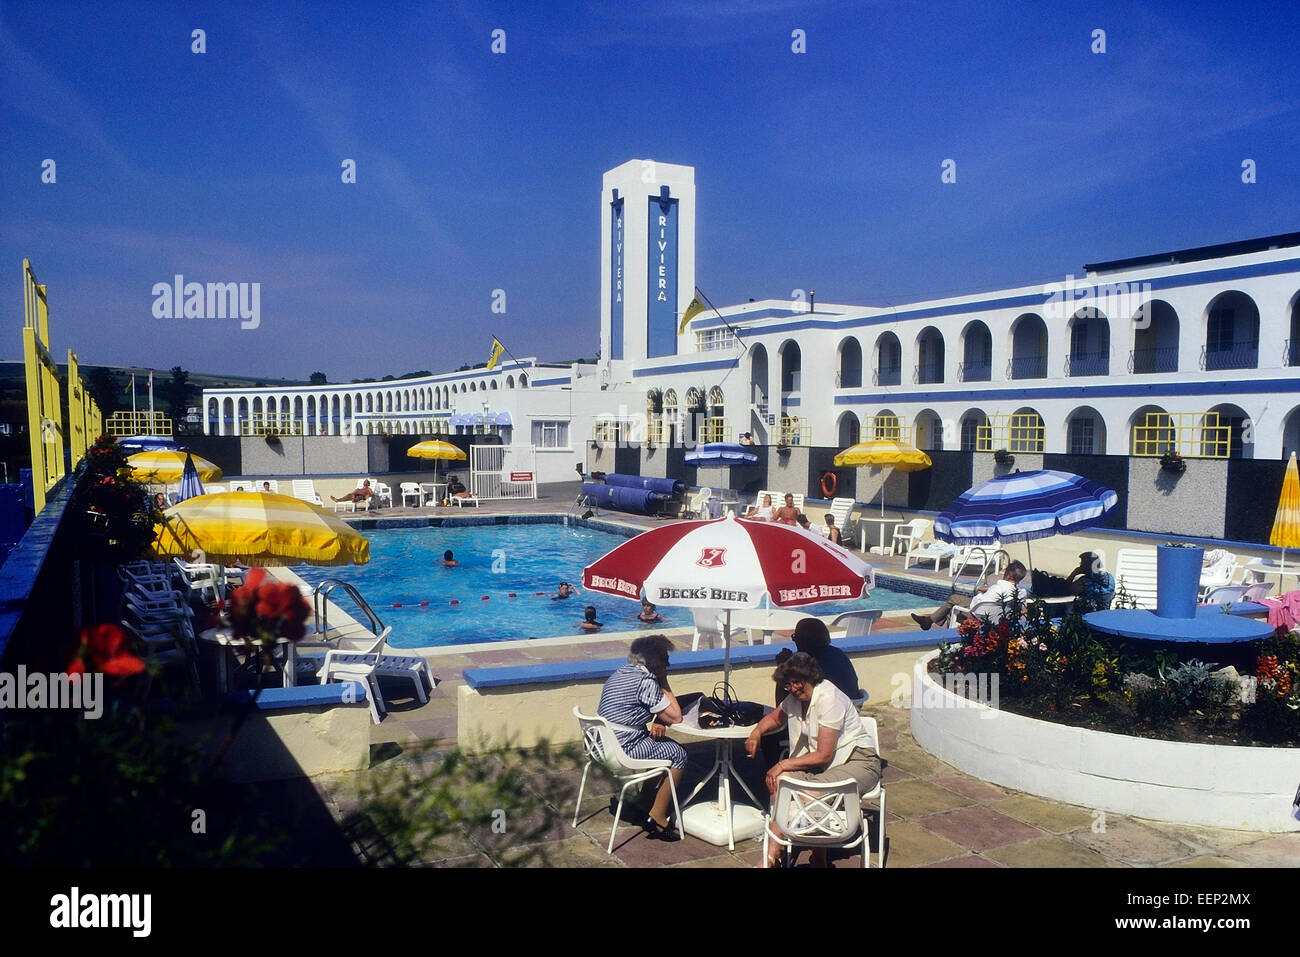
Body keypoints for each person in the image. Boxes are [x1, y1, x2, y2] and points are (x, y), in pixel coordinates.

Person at [744, 652, 882, 867]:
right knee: (780, 782)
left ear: (811, 677)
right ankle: (775, 853)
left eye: (798, 682)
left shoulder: (828, 698)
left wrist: (781, 763)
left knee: (808, 793)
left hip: (858, 760)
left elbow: (823, 754)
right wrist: (756, 732)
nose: (794, 688)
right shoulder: (795, 699)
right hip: (827, 765)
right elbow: (775, 717)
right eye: (789, 684)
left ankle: (815, 852)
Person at [596, 635, 686, 838]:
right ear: (653, 661)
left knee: (658, 744)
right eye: (664, 658)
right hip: (622, 748)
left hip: (600, 743)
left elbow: (647, 707)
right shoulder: (645, 681)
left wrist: (658, 720)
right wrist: (664, 680)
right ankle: (658, 815)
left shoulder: (621, 672)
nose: (668, 663)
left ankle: (644, 801)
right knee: (679, 754)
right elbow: (676, 716)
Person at [911, 560, 1029, 630]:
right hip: (1001, 620)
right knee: (954, 602)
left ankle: (934, 625)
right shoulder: (1022, 593)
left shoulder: (997, 588)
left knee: (953, 602)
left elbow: (977, 605)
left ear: (1008, 574)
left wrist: (979, 593)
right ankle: (929, 621)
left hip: (979, 616)